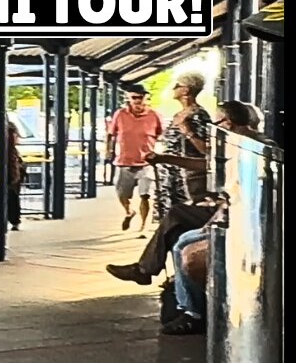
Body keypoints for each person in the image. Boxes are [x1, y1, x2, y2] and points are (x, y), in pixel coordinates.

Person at [105, 101, 263, 286]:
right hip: (231, 208)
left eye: (216, 123)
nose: (213, 129)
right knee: (174, 234)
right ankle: (177, 293)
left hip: (238, 215)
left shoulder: (248, 146)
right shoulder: (238, 143)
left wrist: (219, 203)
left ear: (228, 123)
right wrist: (165, 158)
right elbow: (208, 164)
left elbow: (241, 188)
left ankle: (145, 272)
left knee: (177, 215)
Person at [153, 71, 213, 220]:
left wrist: (188, 131)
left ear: (186, 90)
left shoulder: (199, 115)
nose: (174, 89)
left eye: (177, 86)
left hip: (186, 179)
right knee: (168, 217)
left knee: (181, 217)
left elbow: (206, 150)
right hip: (170, 176)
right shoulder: (178, 115)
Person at [105, 88, 162, 233]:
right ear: (128, 98)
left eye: (141, 97)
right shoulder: (120, 114)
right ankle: (129, 211)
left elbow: (162, 136)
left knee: (145, 195)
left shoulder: (154, 115)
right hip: (125, 161)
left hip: (146, 163)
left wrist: (158, 154)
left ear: (146, 98)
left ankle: (143, 227)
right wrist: (108, 151)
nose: (137, 100)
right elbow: (111, 134)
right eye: (134, 97)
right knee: (122, 194)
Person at [7, 121, 26, 231]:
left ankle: (13, 220)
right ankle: (14, 220)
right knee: (13, 196)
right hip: (12, 171)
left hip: (9, 170)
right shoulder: (10, 128)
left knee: (11, 196)